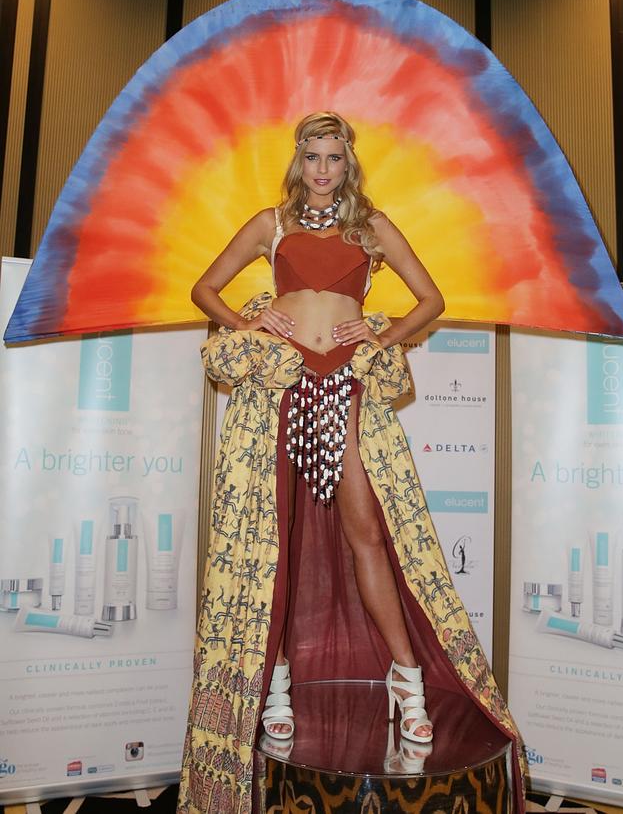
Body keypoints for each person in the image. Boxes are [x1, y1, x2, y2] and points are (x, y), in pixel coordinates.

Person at [177, 113, 525, 814]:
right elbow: (203, 290)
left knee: (368, 533)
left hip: (345, 387)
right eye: (313, 155)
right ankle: (274, 681)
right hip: (276, 389)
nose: (324, 168)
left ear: (348, 163)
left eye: (334, 157)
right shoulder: (269, 223)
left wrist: (381, 329)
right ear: (299, 160)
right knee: (271, 544)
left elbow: (432, 298)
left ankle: (407, 681)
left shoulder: (371, 228)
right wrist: (252, 321)